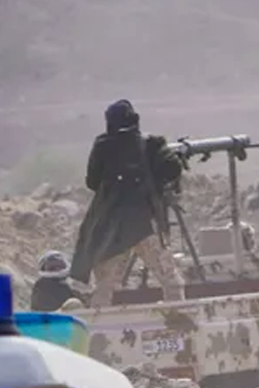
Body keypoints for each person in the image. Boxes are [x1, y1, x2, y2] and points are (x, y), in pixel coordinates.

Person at [69, 99, 186, 307]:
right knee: (171, 281)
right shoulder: (152, 144)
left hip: (112, 229)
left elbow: (92, 182)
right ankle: (178, 317)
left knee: (103, 290)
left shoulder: (103, 145)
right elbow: (172, 169)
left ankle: (99, 326)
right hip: (144, 225)